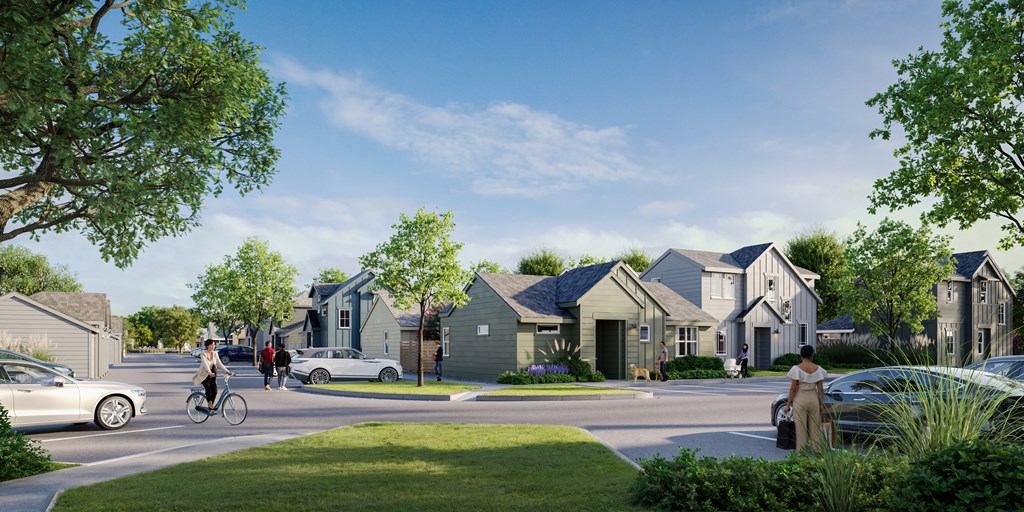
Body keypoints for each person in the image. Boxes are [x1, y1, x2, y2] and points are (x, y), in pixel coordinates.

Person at [783, 344, 828, 453]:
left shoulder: (796, 369)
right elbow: (821, 389)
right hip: (813, 399)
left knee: (800, 429)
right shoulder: (818, 369)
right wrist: (821, 405)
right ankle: (818, 452)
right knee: (815, 428)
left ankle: (801, 454)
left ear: (801, 355)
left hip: (801, 399)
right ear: (812, 355)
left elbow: (793, 389)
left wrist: (788, 404)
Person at [191, 339, 234, 414]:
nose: (213, 346)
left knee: (215, 391)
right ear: (208, 346)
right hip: (204, 375)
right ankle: (210, 405)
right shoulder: (203, 354)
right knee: (208, 388)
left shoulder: (215, 354)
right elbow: (205, 364)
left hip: (213, 375)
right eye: (212, 345)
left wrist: (227, 371)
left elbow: (220, 364)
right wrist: (209, 372)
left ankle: (211, 407)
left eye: (214, 345)